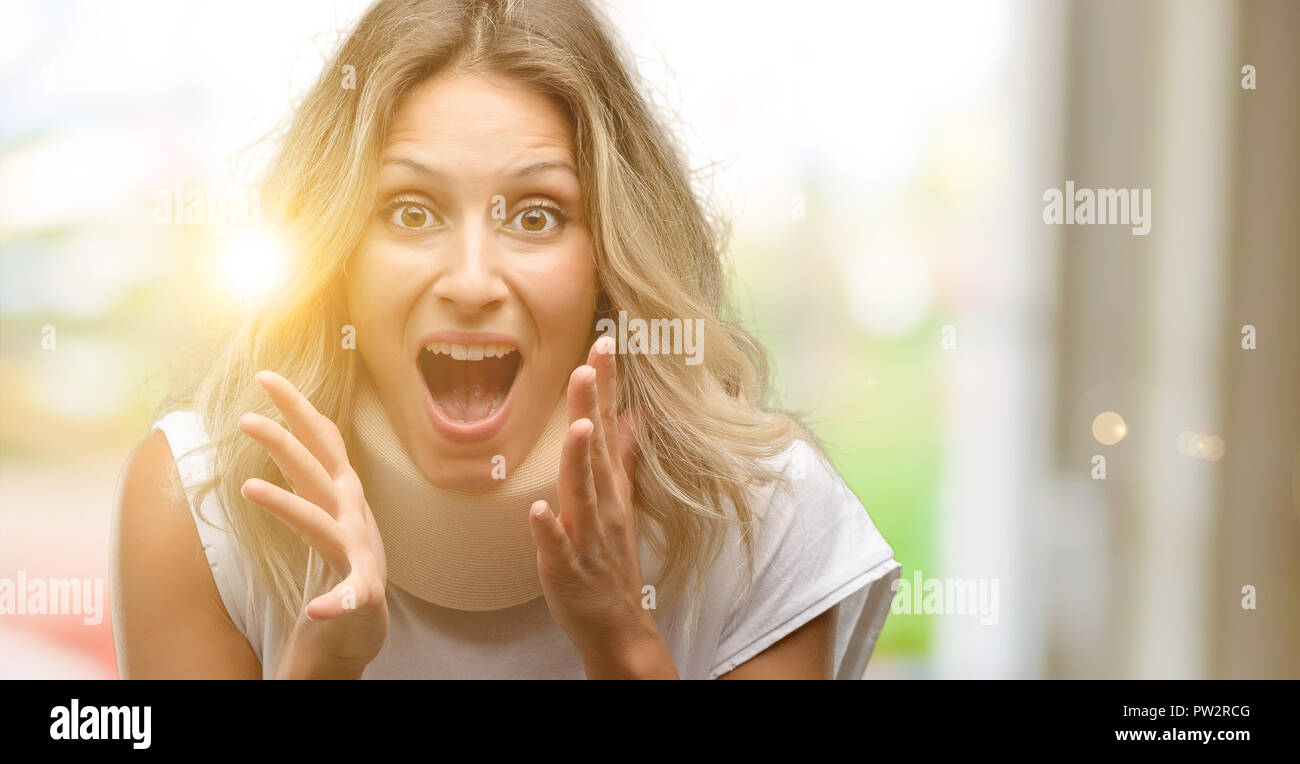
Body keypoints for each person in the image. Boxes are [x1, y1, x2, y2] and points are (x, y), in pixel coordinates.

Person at [110, 0, 900, 679]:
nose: (472, 281)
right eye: (412, 211)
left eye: (535, 215)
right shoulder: (201, 504)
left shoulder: (760, 517)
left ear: (609, 262)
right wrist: (321, 665)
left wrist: (624, 642)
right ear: (338, 251)